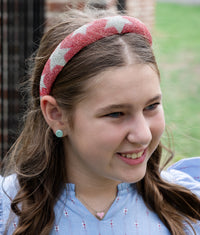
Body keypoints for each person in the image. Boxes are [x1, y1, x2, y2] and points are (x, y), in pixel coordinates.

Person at [0, 8, 200, 235]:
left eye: (151, 106)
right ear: (56, 114)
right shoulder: (8, 212)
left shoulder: (187, 207)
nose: (143, 134)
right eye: (115, 114)